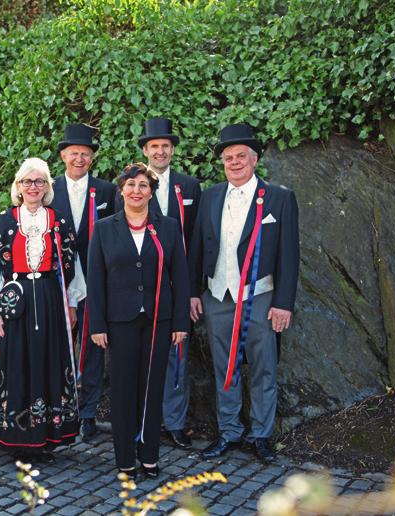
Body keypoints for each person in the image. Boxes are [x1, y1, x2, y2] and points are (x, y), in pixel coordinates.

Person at [188, 124, 299, 462]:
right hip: (218, 295)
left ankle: (262, 435)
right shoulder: (210, 196)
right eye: (228, 158)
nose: (234, 162)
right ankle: (230, 431)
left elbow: (289, 254)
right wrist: (194, 292)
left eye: (240, 156)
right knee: (225, 367)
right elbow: (196, 247)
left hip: (260, 296)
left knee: (264, 366)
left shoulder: (279, 198)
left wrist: (283, 303)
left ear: (254, 160)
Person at [0, 157, 85, 462]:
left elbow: (72, 266)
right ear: (18, 186)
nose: (33, 187)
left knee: (48, 362)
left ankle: (47, 437)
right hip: (15, 303)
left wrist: (72, 303)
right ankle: (18, 439)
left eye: (39, 182)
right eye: (27, 182)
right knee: (17, 363)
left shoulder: (59, 220)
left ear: (47, 187)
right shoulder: (4, 222)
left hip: (50, 301)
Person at [87, 163, 190, 478]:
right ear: (121, 190)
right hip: (119, 321)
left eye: (143, 185)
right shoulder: (104, 228)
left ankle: (149, 454)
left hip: (159, 319)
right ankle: (125, 458)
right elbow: (95, 280)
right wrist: (98, 325)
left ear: (151, 192)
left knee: (152, 387)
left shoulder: (169, 227)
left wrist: (181, 323)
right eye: (130, 184)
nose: (136, 190)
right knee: (123, 388)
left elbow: (181, 278)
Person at [50, 123, 116, 441]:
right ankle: (59, 407)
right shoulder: (48, 189)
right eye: (74, 153)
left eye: (85, 154)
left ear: (92, 158)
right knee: (59, 346)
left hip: (95, 282)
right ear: (63, 155)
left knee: (92, 347)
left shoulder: (105, 191)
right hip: (57, 282)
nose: (79, 159)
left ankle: (87, 412)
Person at [138, 117, 201, 450]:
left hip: (176, 286)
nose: (160, 151)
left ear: (172, 150)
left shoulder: (189, 187)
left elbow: (196, 241)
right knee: (140, 354)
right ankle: (144, 419)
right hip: (139, 287)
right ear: (145, 150)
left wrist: (191, 291)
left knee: (177, 355)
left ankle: (175, 421)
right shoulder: (132, 184)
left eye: (165, 146)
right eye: (154, 146)